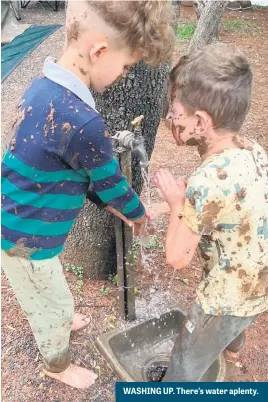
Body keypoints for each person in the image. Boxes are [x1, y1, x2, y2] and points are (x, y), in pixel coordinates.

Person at [1, 0, 174, 389]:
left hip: (20, 221)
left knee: (49, 286)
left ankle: (57, 315)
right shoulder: (83, 120)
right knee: (50, 303)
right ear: (99, 51)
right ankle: (56, 365)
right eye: (127, 65)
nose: (124, 74)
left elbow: (76, 171)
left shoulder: (43, 86)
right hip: (27, 239)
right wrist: (140, 213)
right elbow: (110, 184)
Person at [153, 43, 268, 381]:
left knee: (187, 355)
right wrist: (167, 206)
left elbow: (176, 257)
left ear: (200, 121)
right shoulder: (252, 150)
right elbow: (227, 202)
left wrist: (175, 204)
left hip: (224, 298)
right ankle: (231, 351)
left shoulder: (207, 182)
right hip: (259, 281)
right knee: (235, 324)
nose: (170, 119)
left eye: (175, 112)